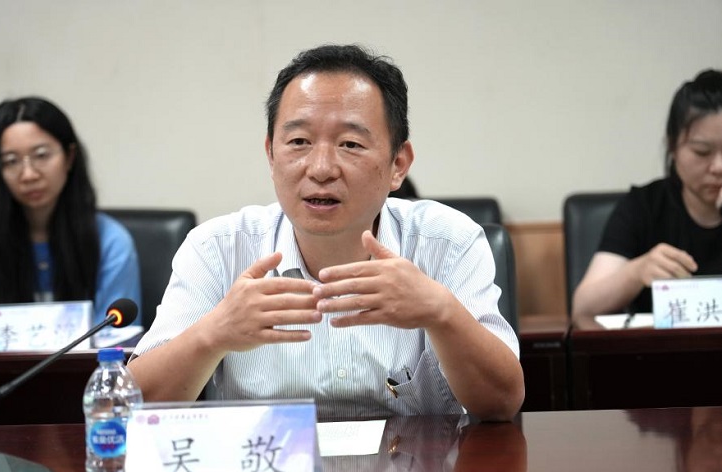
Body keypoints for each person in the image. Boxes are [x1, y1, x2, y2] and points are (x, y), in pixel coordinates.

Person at [129, 44, 524, 420]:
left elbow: (502, 403)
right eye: (299, 141)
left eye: (350, 144)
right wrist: (212, 334)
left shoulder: (448, 242)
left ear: (398, 165)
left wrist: (442, 313)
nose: (320, 169)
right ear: (271, 155)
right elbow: (132, 404)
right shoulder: (216, 249)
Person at [573, 69, 722, 318]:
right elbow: (582, 310)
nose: (718, 167)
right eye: (702, 152)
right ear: (673, 146)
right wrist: (636, 272)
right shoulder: (643, 206)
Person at [0, 96, 142, 323]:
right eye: (11, 161)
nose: (28, 174)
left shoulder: (111, 242)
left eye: (41, 155)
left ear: (69, 157)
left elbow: (116, 336)